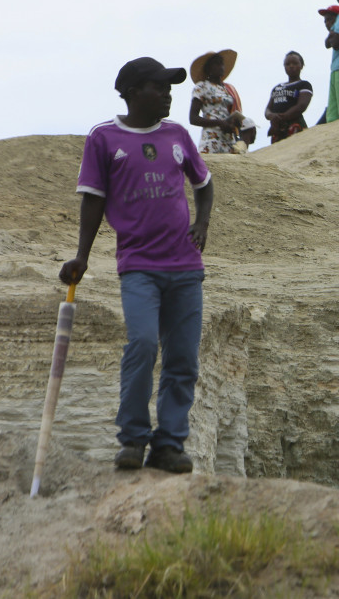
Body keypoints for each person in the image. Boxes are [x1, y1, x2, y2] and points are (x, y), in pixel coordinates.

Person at [59, 57, 214, 474]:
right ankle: (133, 438)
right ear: (131, 92)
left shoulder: (178, 134)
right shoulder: (104, 138)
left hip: (185, 267)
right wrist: (83, 255)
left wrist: (201, 222)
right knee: (143, 344)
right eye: (158, 87)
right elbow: (93, 197)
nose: (167, 95)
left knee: (183, 359)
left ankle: (169, 444)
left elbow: (204, 183)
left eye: (169, 88)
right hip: (139, 266)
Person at [189, 49, 243, 154]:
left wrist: (234, 123)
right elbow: (193, 118)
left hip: (228, 139)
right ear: (208, 68)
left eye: (221, 63)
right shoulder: (202, 87)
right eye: (216, 64)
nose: (221, 66)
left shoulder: (227, 89)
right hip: (211, 138)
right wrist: (219, 123)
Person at [265, 50, 313, 143]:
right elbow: (267, 109)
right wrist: (272, 116)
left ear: (301, 66)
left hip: (295, 124)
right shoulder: (277, 88)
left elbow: (301, 106)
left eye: (295, 63)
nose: (291, 66)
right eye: (287, 64)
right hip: (277, 127)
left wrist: (282, 117)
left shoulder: (304, 85)